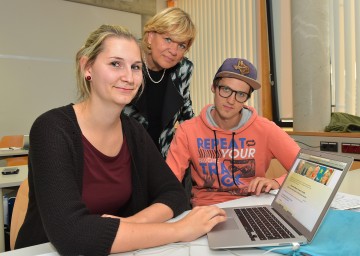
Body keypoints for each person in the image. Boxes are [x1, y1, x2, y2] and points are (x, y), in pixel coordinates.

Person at [15, 24, 226, 255]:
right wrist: (179, 231)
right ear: (87, 67)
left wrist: (133, 224)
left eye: (136, 67)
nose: (128, 77)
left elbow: (173, 193)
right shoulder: (52, 129)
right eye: (115, 64)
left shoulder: (133, 130)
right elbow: (73, 234)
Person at [166, 58, 301, 207]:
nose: (231, 100)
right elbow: (168, 183)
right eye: (225, 90)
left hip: (253, 205)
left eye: (241, 94)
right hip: (207, 209)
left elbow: (307, 168)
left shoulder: (266, 129)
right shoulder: (188, 131)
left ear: (247, 98)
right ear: (213, 87)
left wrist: (277, 182)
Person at [123, 7, 196, 158]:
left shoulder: (182, 69)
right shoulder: (127, 61)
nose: (174, 51)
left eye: (182, 45)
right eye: (168, 39)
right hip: (124, 157)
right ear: (150, 37)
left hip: (162, 161)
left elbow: (186, 113)